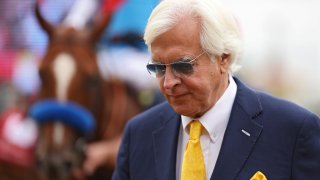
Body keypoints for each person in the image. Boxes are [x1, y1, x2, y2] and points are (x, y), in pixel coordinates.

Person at [112, 0, 320, 179]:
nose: (168, 83)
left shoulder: (294, 131)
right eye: (157, 68)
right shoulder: (138, 135)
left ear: (223, 57)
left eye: (182, 66)